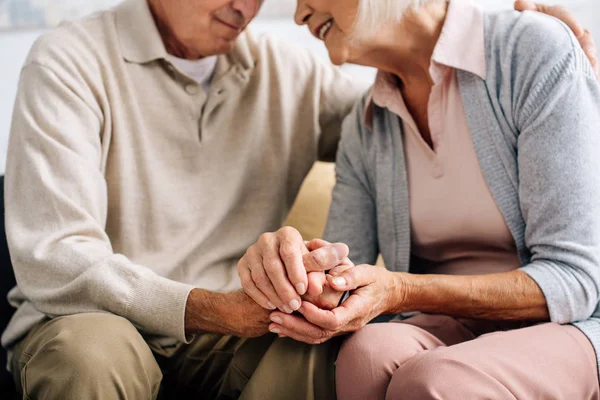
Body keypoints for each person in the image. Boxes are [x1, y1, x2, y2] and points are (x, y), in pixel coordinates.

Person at [2, 0, 594, 398]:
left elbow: (394, 114)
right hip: (102, 318)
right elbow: (56, 256)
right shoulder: (69, 60)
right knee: (88, 355)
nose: (252, 7)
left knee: (326, 343)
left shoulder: (294, 73)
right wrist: (212, 306)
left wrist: (570, 74)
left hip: (243, 324)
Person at [239, 0, 600, 398]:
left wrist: (402, 290)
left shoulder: (532, 49)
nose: (299, 14)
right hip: (447, 327)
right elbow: (343, 276)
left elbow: (576, 280)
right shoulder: (366, 126)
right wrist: (299, 271)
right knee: (366, 353)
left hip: (571, 327)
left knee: (437, 379)